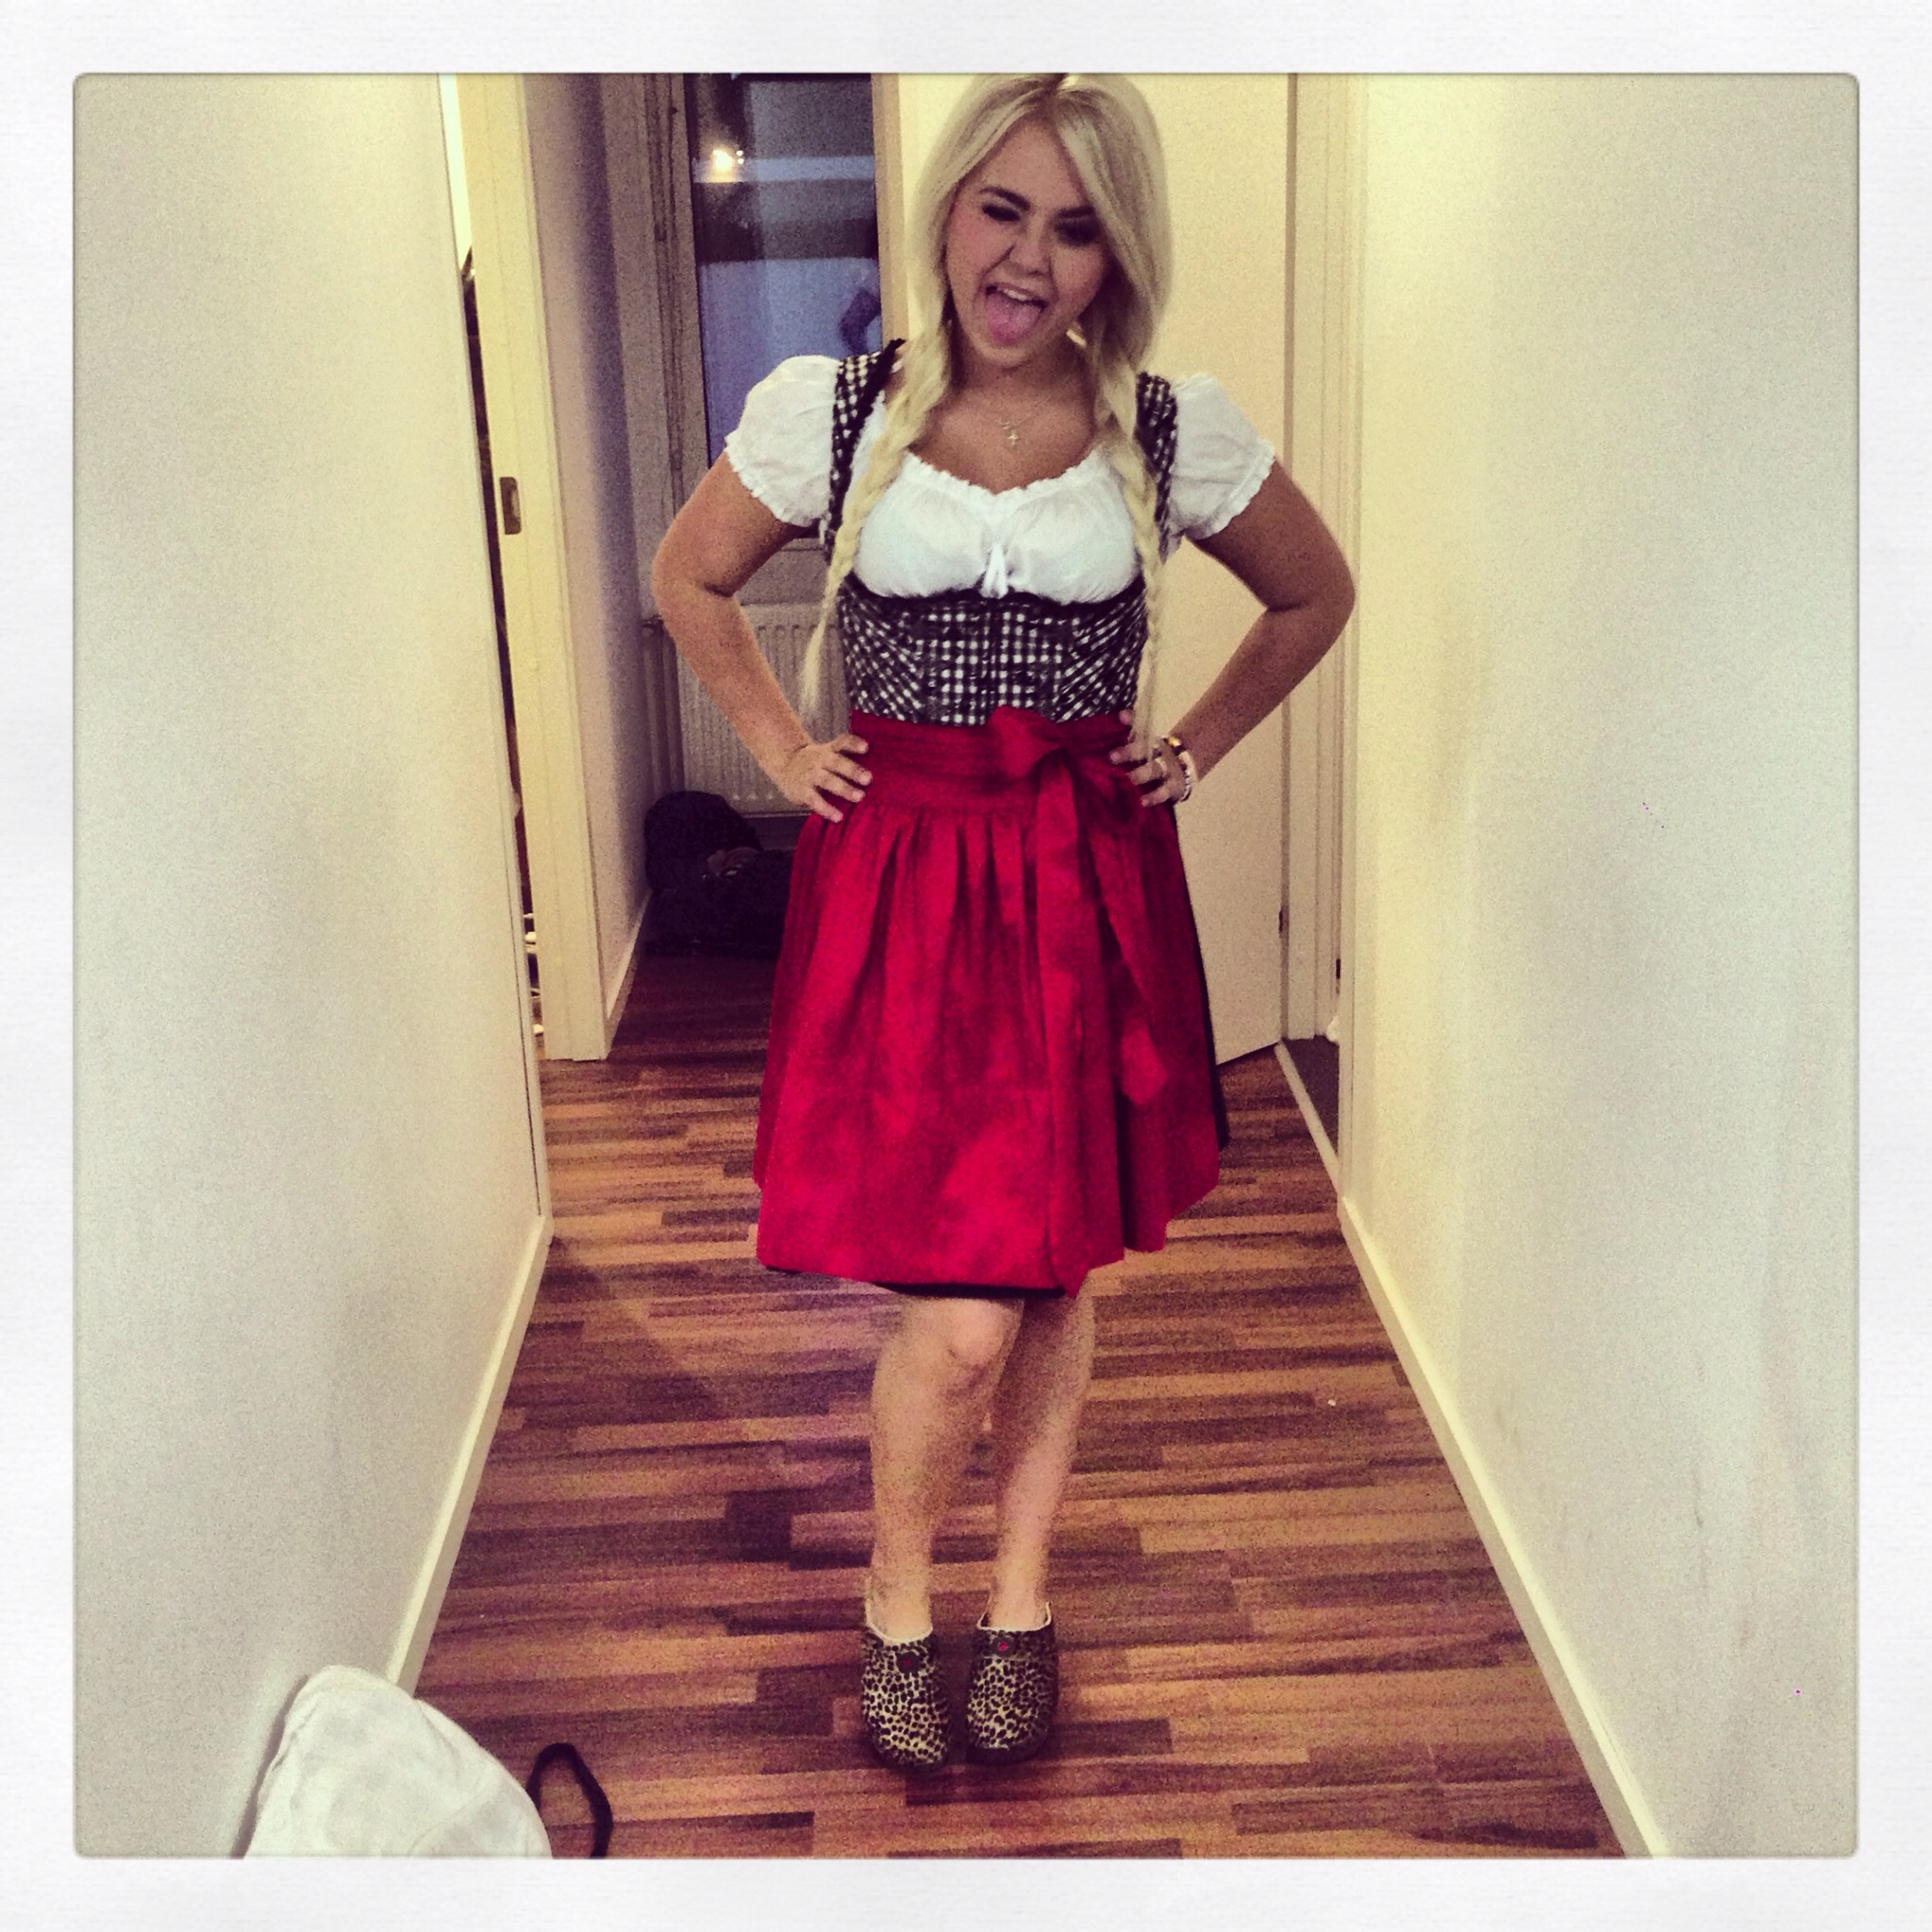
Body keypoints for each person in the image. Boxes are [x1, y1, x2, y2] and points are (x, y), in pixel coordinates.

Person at [652, 73, 1355, 1774]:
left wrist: (1191, 746)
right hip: (903, 885)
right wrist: (782, 751)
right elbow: (689, 575)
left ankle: (1021, 1600)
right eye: (1003, 209)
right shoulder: (834, 413)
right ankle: (898, 1599)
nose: (1029, 259)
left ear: (1119, 255)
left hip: (1079, 884)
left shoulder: (1169, 432)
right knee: (958, 1314)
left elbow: (1314, 592)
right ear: (950, 210)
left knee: (1050, 1279)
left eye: (1076, 227)